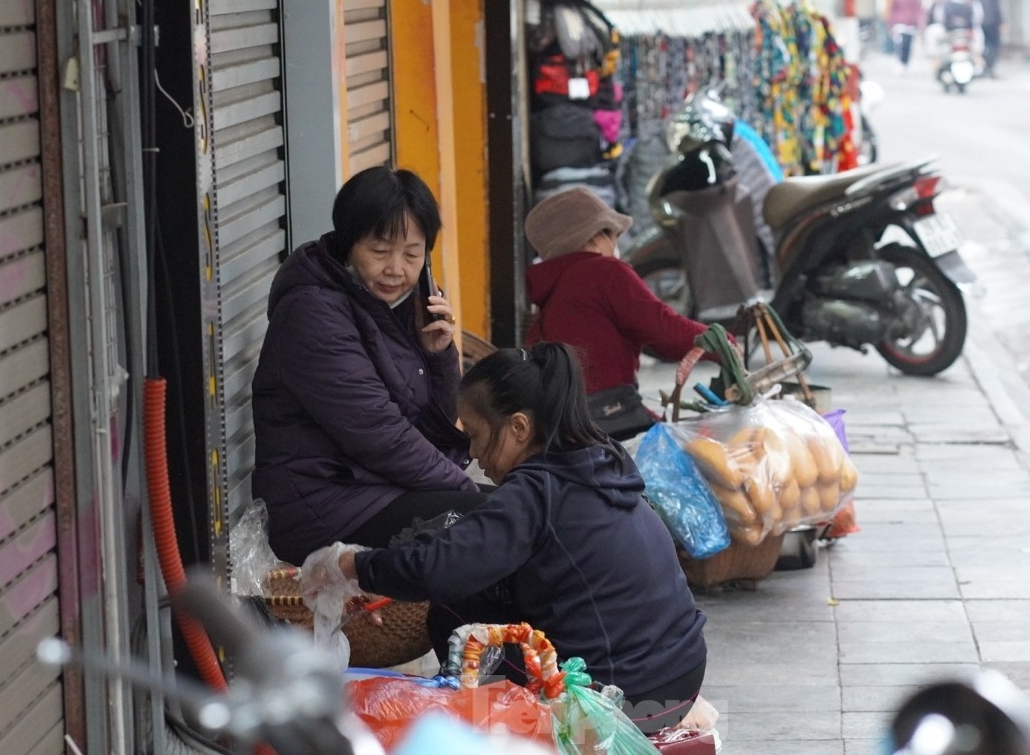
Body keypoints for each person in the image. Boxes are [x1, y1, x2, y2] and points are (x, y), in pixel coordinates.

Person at [303, 342, 709, 733]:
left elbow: (437, 570)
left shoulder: (535, 493)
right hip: (680, 682)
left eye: (477, 435)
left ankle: (498, 736)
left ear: (518, 427)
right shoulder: (601, 466)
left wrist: (350, 565)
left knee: (452, 613)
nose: (474, 453)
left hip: (622, 699)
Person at [250, 166, 482, 567]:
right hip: (322, 507)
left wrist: (437, 354)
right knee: (494, 523)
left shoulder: (397, 306)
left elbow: (437, 423)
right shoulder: (314, 313)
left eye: (412, 254)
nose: (396, 269)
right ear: (348, 244)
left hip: (376, 488)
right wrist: (467, 492)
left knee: (517, 514)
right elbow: (379, 435)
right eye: (380, 251)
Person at [523, 187, 710, 440]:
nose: (615, 244)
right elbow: (664, 330)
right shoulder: (603, 271)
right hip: (609, 419)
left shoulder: (551, 293)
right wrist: (719, 342)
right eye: (612, 235)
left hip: (562, 427)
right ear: (594, 238)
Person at [887, 0, 925, 74]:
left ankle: (905, 63)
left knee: (908, 45)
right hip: (899, 24)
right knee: (899, 44)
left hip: (910, 25)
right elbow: (892, 10)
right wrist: (891, 24)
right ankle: (899, 62)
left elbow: (918, 10)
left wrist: (920, 23)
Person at [972, 0, 1003, 77]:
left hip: (979, 23)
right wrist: (1001, 22)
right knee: (993, 46)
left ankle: (983, 67)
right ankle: (990, 67)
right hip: (992, 22)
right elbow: (997, 8)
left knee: (982, 46)